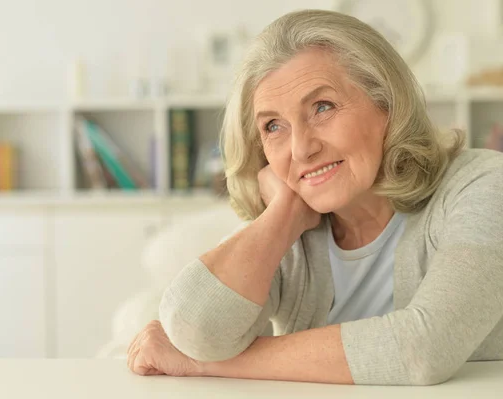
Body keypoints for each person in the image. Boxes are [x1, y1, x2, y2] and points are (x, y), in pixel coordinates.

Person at [126, 9, 503, 385]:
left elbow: (425, 348)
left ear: (386, 104)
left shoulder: (482, 185)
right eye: (274, 126)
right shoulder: (289, 232)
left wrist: (206, 365)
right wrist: (283, 214)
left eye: (322, 107)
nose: (301, 149)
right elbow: (192, 330)